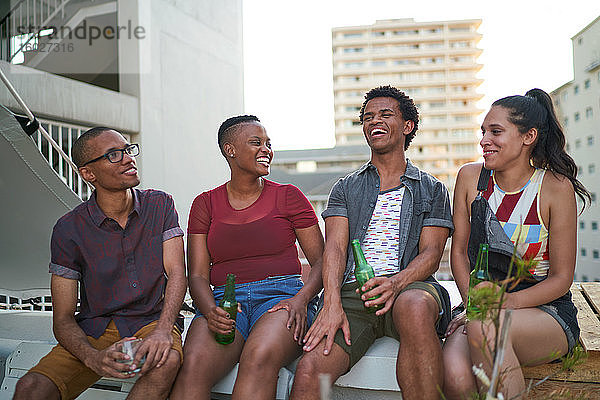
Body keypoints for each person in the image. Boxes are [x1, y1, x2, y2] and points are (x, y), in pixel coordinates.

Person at [289, 86, 454, 400]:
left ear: (407, 127)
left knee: (415, 306)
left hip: (410, 285)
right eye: (367, 117)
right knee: (310, 368)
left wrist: (395, 283)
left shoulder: (431, 189)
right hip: (354, 293)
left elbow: (432, 254)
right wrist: (332, 303)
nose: (373, 121)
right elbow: (335, 249)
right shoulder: (345, 188)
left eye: (384, 115)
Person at [13, 127, 187, 400]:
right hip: (95, 329)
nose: (129, 159)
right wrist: (93, 358)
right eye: (114, 155)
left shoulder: (160, 204)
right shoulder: (68, 229)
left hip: (153, 320)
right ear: (88, 174)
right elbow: (62, 318)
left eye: (128, 150)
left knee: (166, 360)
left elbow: (177, 271)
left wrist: (165, 331)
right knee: (30, 388)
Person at [442, 88, 590, 399]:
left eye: (496, 131)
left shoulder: (553, 188)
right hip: (479, 307)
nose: (484, 140)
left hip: (543, 310)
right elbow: (458, 253)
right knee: (455, 374)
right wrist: (475, 304)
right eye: (483, 131)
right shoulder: (471, 179)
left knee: (485, 328)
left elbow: (562, 280)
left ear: (528, 137)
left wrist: (504, 304)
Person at [170, 115, 324, 400]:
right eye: (256, 142)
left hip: (282, 299)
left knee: (259, 357)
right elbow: (198, 275)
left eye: (268, 143)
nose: (266, 149)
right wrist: (210, 311)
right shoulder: (205, 203)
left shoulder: (289, 196)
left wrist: (301, 300)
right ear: (230, 150)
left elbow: (322, 262)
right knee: (192, 367)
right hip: (224, 302)